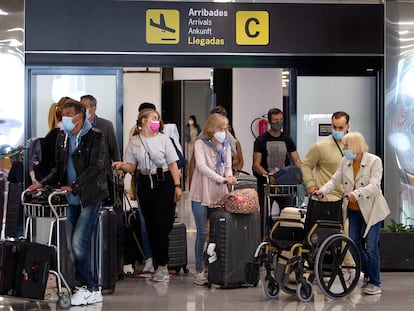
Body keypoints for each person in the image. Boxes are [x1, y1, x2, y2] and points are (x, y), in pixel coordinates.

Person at [27, 99, 108, 306]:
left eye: (67, 115)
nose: (64, 119)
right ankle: (91, 287)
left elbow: (96, 167)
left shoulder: (95, 137)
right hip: (70, 200)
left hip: (89, 197)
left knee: (79, 243)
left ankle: (87, 286)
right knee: (73, 247)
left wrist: (75, 185)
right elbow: (58, 168)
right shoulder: (63, 137)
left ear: (79, 117)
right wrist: (41, 184)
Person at [313, 132, 390, 295]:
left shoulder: (374, 161)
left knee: (371, 247)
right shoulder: (345, 161)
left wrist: (358, 193)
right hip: (353, 210)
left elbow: (375, 186)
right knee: (353, 243)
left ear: (355, 146)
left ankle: (375, 282)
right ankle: (368, 273)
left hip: (372, 210)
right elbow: (335, 180)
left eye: (346, 145)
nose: (344, 148)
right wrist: (322, 191)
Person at [112, 108, 182, 282]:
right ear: (143, 121)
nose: (156, 121)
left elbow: (173, 164)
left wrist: (177, 186)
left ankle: (163, 266)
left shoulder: (164, 139)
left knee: (162, 226)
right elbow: (132, 166)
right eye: (153, 118)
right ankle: (158, 265)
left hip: (164, 181)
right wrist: (121, 165)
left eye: (158, 118)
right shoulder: (135, 142)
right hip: (145, 182)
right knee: (150, 226)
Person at [189, 113, 237, 286]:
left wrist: (229, 178)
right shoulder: (200, 144)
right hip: (201, 194)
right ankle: (199, 270)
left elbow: (228, 167)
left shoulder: (226, 146)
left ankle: (214, 268)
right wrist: (222, 179)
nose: (224, 132)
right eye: (221, 129)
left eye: (225, 129)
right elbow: (201, 167)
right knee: (202, 233)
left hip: (218, 194)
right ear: (211, 129)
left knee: (216, 234)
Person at [252, 108, 301, 238]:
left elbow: (296, 159)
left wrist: (300, 174)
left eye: (280, 120)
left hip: (284, 184)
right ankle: (264, 239)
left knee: (289, 214)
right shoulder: (261, 140)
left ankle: (286, 240)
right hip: (266, 184)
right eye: (275, 120)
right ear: (269, 121)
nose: (278, 123)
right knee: (264, 215)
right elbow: (256, 164)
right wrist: (269, 176)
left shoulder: (287, 139)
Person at [80, 94, 121, 206]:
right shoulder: (78, 126)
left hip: (103, 174)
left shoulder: (106, 125)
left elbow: (113, 148)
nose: (83, 110)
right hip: (83, 175)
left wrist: (119, 168)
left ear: (94, 108)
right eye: (81, 107)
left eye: (85, 106)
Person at [301, 111, 350, 200]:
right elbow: (306, 165)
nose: (337, 131)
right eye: (334, 127)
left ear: (348, 126)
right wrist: (310, 184)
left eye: (340, 128)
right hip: (327, 197)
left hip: (349, 198)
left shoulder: (354, 145)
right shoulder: (320, 146)